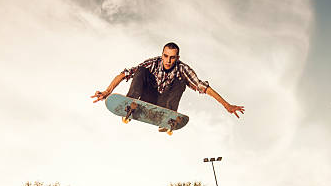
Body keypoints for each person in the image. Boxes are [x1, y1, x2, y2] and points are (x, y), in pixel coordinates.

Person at [91, 42, 244, 131]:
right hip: (146, 97)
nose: (168, 60)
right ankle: (130, 104)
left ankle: (168, 114)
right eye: (165, 56)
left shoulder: (183, 68)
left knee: (182, 80)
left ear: (177, 57)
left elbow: (203, 87)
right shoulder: (153, 62)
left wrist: (227, 105)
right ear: (162, 54)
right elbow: (125, 74)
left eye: (172, 57)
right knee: (140, 70)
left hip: (165, 102)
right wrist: (107, 91)